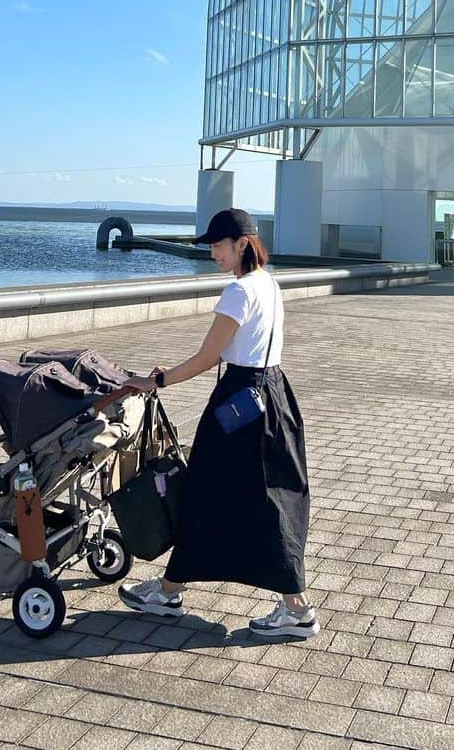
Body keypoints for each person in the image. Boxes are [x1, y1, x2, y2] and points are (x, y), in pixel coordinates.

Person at [117, 207, 318, 640]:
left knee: (213, 491)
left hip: (238, 404)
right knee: (264, 495)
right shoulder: (268, 283)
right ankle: (172, 589)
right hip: (273, 396)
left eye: (218, 245)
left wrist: (158, 381)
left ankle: (296, 608)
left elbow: (210, 356)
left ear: (242, 244)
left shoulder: (239, 291)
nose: (212, 253)